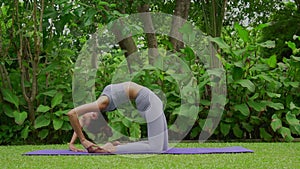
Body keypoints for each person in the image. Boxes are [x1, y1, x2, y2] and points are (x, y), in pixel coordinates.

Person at [67, 81, 169, 153]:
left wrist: (83, 140)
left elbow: (72, 114)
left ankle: (115, 147)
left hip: (149, 101)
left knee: (163, 146)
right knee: (157, 148)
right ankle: (112, 148)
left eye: (84, 118)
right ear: (94, 116)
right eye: (84, 118)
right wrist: (72, 142)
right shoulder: (100, 104)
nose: (82, 118)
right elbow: (77, 120)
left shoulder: (101, 103)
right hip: (149, 102)